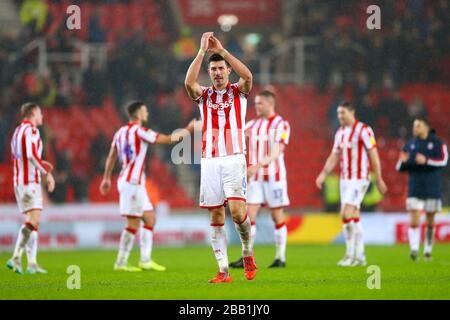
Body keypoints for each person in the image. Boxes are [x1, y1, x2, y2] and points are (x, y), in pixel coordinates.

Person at [184, 32, 256, 283]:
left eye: (221, 68)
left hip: (234, 158)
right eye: (213, 69)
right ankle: (223, 270)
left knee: (237, 212)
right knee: (216, 216)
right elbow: (188, 84)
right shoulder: (204, 96)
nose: (216, 73)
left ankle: (247, 252)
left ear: (227, 71)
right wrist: (202, 51)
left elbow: (248, 76)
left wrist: (223, 51)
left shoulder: (239, 91)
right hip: (211, 161)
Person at [100, 101, 195, 272]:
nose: (147, 114)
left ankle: (145, 259)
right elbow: (168, 139)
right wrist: (189, 129)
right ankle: (121, 262)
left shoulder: (120, 132)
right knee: (133, 223)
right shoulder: (140, 131)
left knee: (150, 219)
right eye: (144, 111)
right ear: (137, 114)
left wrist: (107, 177)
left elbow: (111, 156)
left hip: (132, 182)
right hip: (133, 183)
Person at [316, 101, 387, 267]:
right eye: (338, 113)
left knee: (345, 214)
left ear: (352, 112)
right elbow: (334, 156)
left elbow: (374, 155)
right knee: (353, 217)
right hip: (345, 180)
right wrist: (323, 174)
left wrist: (379, 178)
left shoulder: (364, 130)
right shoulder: (340, 132)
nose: (340, 116)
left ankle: (350, 254)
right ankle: (360, 255)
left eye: (343, 113)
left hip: (360, 179)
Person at [229, 90, 291, 269]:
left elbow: (277, 151)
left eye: (259, 104)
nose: (256, 106)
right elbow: (235, 135)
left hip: (274, 177)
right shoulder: (252, 125)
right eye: (255, 103)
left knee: (276, 215)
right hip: (254, 178)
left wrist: (257, 165)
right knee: (249, 216)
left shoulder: (282, 125)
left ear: (270, 104)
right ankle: (246, 256)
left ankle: (280, 257)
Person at [7, 102, 55, 274]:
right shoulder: (31, 130)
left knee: (34, 223)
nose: (42, 116)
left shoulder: (17, 132)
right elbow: (30, 155)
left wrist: (40, 164)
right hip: (29, 181)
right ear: (33, 113)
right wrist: (46, 173)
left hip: (19, 181)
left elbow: (23, 157)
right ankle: (16, 257)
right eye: (40, 112)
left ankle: (32, 263)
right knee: (33, 221)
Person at [396, 118, 448, 261]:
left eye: (418, 125)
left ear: (426, 127)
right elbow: (399, 167)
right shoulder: (410, 144)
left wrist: (427, 161)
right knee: (414, 220)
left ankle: (427, 250)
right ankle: (413, 249)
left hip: (432, 187)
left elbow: (444, 162)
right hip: (415, 187)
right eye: (414, 126)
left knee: (430, 222)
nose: (415, 128)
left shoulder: (438, 143)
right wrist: (403, 162)